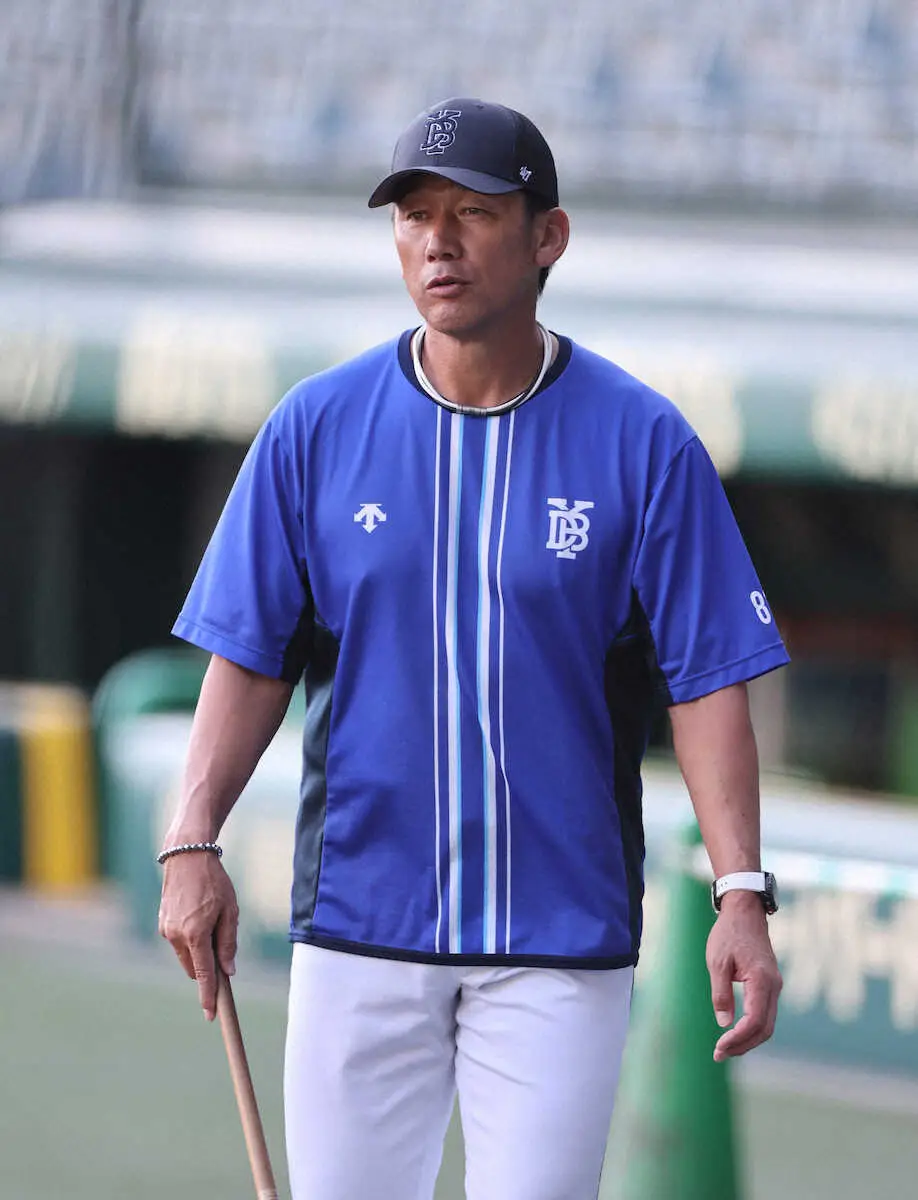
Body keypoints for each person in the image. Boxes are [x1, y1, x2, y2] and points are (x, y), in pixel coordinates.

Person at [158, 97, 788, 1200]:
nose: (437, 242)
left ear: (549, 237)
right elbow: (251, 656)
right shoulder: (315, 427)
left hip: (559, 940)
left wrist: (741, 893)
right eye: (414, 216)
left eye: (474, 213)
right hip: (357, 925)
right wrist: (189, 842)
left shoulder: (645, 443)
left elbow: (707, 681)